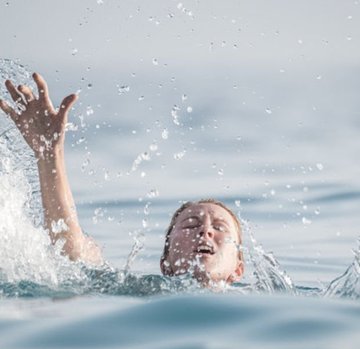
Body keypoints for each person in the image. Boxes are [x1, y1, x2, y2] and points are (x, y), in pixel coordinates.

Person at [0, 73, 244, 286]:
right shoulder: (143, 292)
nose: (205, 231)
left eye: (219, 227)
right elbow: (73, 256)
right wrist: (49, 155)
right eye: (190, 225)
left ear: (238, 269)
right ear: (165, 264)